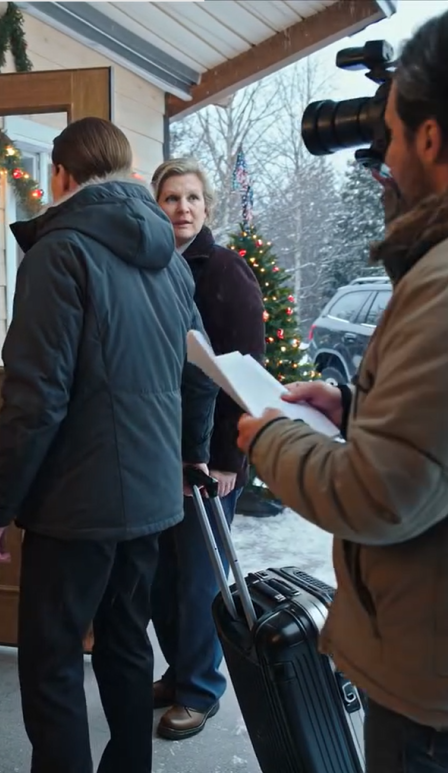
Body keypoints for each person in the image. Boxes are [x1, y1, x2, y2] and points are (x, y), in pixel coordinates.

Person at [236, 11, 448, 771]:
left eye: (389, 132)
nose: (382, 155)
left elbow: (379, 496)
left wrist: (272, 435)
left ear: (428, 139)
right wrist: (356, 412)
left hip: (429, 689)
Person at [0, 117, 218, 773]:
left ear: (61, 176)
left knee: (53, 657)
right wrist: (188, 455)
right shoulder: (168, 259)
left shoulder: (60, 252)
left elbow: (35, 397)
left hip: (74, 504)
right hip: (148, 493)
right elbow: (202, 370)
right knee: (125, 640)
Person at [150, 158, 265, 740]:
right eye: (172, 198)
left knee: (197, 576)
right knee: (163, 578)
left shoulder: (225, 272)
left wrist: (227, 459)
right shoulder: (152, 265)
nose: (183, 208)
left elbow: (242, 378)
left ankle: (200, 691)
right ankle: (179, 671)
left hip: (211, 458)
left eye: (193, 198)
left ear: (208, 206)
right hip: (160, 451)